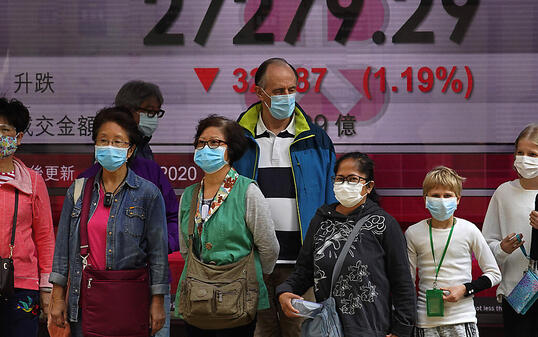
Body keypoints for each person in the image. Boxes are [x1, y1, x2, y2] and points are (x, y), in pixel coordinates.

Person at [235, 57, 336, 337]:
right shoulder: (237, 140)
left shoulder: (316, 140)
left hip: (302, 267)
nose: (287, 97)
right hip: (253, 264)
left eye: (292, 89)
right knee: (258, 332)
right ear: (260, 93)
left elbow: (331, 203)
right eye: (279, 91)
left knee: (302, 333)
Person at [49, 107, 169, 336]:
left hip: (130, 301)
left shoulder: (148, 194)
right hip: (85, 301)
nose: (109, 147)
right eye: (103, 141)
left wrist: (157, 302)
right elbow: (62, 250)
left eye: (118, 142)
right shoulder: (77, 191)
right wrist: (57, 298)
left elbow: (158, 254)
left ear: (131, 149)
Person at [277, 152, 416, 337]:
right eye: (340, 179)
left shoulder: (384, 224)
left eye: (353, 179)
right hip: (328, 327)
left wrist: (402, 329)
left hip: (369, 327)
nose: (345, 184)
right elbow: (304, 270)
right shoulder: (321, 219)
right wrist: (286, 291)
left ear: (368, 186)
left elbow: (402, 282)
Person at [175, 115, 279, 337]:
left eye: (214, 143)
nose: (205, 148)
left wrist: (255, 276)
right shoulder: (189, 195)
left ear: (231, 150)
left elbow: (269, 247)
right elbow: (186, 248)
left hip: (238, 296)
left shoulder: (248, 191)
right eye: (201, 143)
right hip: (197, 297)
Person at [406, 166, 501, 337]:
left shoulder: (469, 230)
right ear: (425, 199)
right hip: (425, 322)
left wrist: (465, 289)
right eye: (435, 195)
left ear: (457, 199)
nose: (441, 200)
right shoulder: (413, 233)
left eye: (447, 195)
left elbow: (494, 274)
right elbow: (408, 281)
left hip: (462, 320)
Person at [0, 98, 55, 337]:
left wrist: (47, 287)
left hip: (22, 285)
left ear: (18, 137)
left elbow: (45, 237)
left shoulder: (32, 181)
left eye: (4, 130)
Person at [482, 123, 538, 337]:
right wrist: (503, 248)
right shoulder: (504, 193)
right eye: (520, 153)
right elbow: (487, 244)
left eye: (532, 154)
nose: (525, 159)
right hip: (517, 291)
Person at [114, 80, 165, 160]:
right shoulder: (114, 146)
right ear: (127, 109)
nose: (153, 117)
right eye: (149, 111)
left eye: (156, 112)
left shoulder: (143, 144)